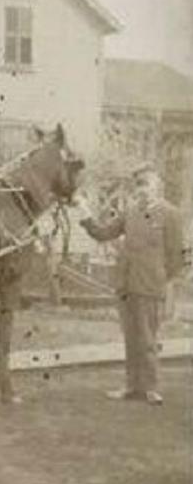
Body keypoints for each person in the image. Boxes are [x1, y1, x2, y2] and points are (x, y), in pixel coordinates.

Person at [76, 165, 184, 405]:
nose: (143, 190)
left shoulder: (171, 214)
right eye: (139, 185)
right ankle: (132, 386)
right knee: (131, 338)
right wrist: (84, 212)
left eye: (147, 185)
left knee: (147, 338)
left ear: (158, 187)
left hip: (151, 286)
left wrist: (166, 285)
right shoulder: (130, 212)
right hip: (126, 285)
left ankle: (151, 388)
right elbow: (103, 233)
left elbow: (176, 258)